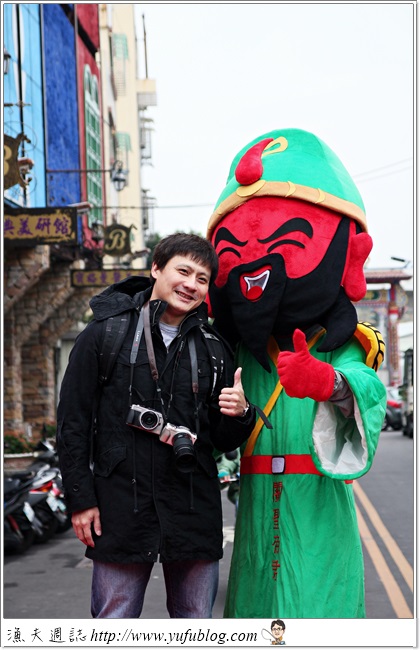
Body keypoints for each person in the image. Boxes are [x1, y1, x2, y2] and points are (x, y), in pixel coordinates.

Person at [206, 128, 387, 617]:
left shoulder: (341, 343)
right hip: (254, 498)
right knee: (255, 606)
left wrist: (329, 382)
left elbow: (367, 388)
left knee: (318, 604)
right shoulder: (235, 350)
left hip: (319, 500)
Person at [56, 232, 256, 619]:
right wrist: (81, 501)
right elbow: (72, 423)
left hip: (193, 510)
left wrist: (241, 413)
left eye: (202, 278)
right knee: (114, 626)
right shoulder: (105, 334)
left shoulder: (214, 347)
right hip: (120, 509)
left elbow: (220, 439)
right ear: (156, 269)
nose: (191, 284)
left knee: (195, 627)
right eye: (183, 271)